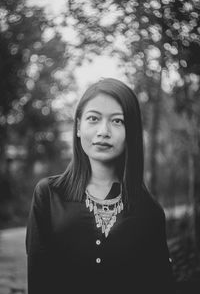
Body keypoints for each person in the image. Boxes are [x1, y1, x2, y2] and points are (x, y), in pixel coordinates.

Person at [26, 78, 175, 294]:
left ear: (131, 132)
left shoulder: (149, 212)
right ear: (78, 127)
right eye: (93, 119)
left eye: (117, 121)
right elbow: (38, 281)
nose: (103, 131)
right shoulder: (49, 195)